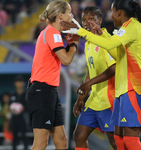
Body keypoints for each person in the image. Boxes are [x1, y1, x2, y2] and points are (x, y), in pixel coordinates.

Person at [61, 0, 141, 149]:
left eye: (112, 12)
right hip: (123, 90)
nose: (111, 16)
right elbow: (118, 55)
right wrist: (102, 36)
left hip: (135, 87)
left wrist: (80, 31)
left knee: (130, 140)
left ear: (119, 12)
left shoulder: (133, 26)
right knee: (118, 139)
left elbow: (111, 50)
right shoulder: (126, 28)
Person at [25, 1, 80, 150]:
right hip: (42, 91)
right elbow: (66, 59)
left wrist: (71, 44)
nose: (72, 15)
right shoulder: (52, 33)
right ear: (60, 15)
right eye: (69, 12)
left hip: (48, 92)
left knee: (61, 141)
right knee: (41, 143)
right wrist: (74, 43)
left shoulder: (52, 33)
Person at [72, 6, 117, 150]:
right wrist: (80, 99)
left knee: (114, 140)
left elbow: (113, 69)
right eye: (84, 20)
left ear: (100, 20)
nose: (86, 23)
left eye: (91, 19)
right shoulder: (88, 43)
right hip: (93, 100)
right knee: (79, 136)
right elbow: (89, 74)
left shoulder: (108, 40)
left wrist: (89, 83)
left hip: (109, 99)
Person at [10, 75, 28, 150]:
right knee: (14, 136)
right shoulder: (13, 94)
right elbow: (10, 105)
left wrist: (24, 108)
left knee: (24, 136)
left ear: (23, 83)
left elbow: (29, 106)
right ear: (15, 83)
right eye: (17, 82)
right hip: (14, 118)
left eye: (21, 82)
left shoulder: (26, 94)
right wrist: (12, 109)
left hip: (24, 117)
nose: (19, 84)